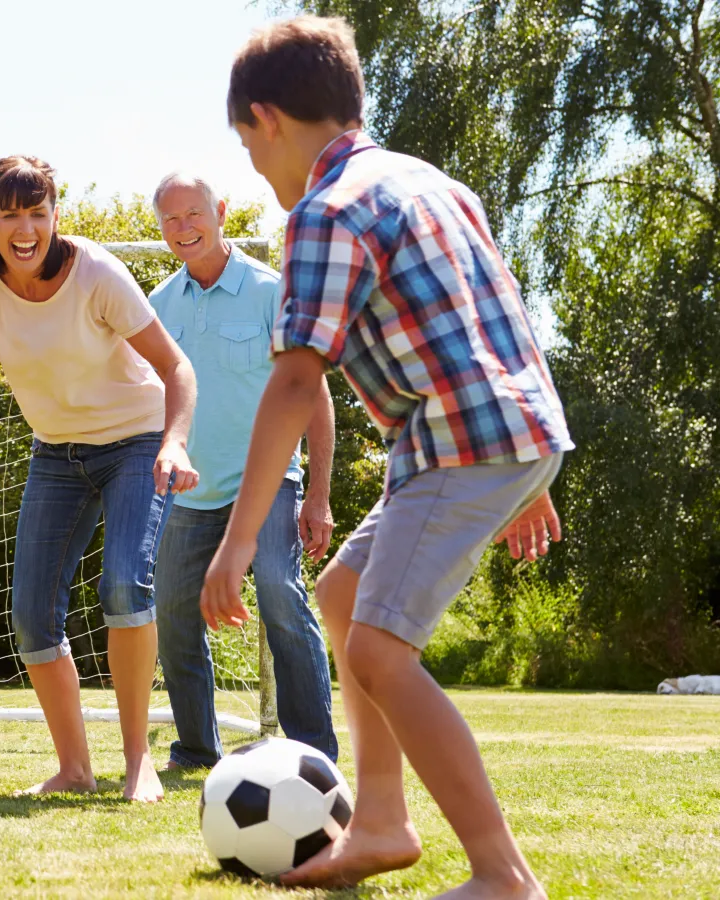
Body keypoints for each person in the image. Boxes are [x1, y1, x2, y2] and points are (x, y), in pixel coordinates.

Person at [202, 17, 571, 898]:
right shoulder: (427, 181)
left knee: (377, 650)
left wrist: (238, 539)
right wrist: (529, 466)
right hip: (497, 430)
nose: (258, 169)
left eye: (250, 148)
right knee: (343, 596)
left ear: (268, 119)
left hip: (462, 443)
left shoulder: (322, 214)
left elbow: (296, 384)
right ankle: (378, 823)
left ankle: (502, 875)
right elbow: (501, 303)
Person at [0, 156, 198, 803]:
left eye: (37, 212)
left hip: (136, 443)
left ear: (56, 217)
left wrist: (172, 443)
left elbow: (177, 369)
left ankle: (138, 761)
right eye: (10, 213)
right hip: (57, 453)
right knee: (31, 617)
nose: (24, 228)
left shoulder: (96, 274)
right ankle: (75, 768)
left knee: (123, 583)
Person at [147, 172, 340, 769]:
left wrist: (320, 497)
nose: (184, 229)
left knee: (281, 594)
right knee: (174, 612)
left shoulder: (269, 291)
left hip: (271, 483)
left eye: (194, 214)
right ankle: (197, 749)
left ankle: (314, 754)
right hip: (189, 493)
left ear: (220, 211)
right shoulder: (157, 306)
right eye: (171, 220)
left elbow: (315, 396)